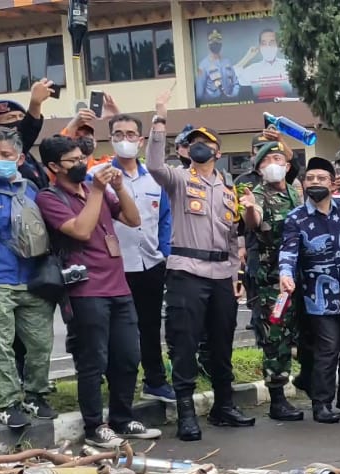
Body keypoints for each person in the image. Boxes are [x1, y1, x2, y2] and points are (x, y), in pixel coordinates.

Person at [36, 135, 161, 448]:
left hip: (119, 286)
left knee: (128, 357)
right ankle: (95, 426)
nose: (81, 164)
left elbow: (133, 220)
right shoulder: (50, 198)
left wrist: (118, 187)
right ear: (53, 166)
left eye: (82, 158)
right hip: (85, 290)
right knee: (93, 361)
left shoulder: (99, 191)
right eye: (73, 161)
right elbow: (81, 230)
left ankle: (122, 417)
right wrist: (96, 190)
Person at [148, 95, 254, 441]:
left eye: (206, 144)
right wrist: (159, 121)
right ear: (186, 150)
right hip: (187, 271)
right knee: (184, 343)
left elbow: (234, 236)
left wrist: (238, 276)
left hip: (222, 273)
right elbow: (152, 166)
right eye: (194, 144)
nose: (199, 148)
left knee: (223, 344)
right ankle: (186, 413)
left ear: (218, 152)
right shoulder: (179, 179)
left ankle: (224, 406)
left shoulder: (229, 189)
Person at [89, 114, 176, 404]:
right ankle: (118, 386)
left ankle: (155, 381)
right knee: (116, 332)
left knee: (150, 327)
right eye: (118, 134)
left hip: (150, 263)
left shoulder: (156, 176)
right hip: (114, 268)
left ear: (141, 141)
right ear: (110, 139)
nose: (124, 140)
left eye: (130, 135)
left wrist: (165, 253)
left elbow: (164, 218)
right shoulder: (97, 176)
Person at [279, 157, 340, 423]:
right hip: (318, 295)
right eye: (310, 179)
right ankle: (322, 402)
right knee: (328, 349)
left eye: (321, 179)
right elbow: (288, 251)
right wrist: (285, 274)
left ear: (332, 183)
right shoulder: (296, 217)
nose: (315, 183)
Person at [241, 141, 304, 422]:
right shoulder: (256, 195)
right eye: (267, 161)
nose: (273, 164)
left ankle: (306, 381)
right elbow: (253, 222)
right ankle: (277, 399)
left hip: (298, 278)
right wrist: (250, 209)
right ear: (259, 168)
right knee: (274, 339)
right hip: (271, 282)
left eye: (278, 159)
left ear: (288, 166)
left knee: (300, 335)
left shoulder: (295, 192)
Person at [0, 128, 55, 429]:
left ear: (20, 158)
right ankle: (7, 402)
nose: (1, 160)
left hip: (33, 280)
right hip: (0, 280)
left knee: (40, 344)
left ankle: (35, 394)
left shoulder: (32, 190)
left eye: (6, 156)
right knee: (1, 346)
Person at [0, 78, 55, 189]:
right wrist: (35, 103)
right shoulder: (7, 159)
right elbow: (29, 129)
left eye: (21, 117)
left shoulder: (28, 156)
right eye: (10, 118)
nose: (18, 121)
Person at [235, 29, 291, 102]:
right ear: (260, 47)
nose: (268, 47)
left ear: (277, 45)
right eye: (264, 44)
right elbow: (233, 76)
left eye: (271, 43)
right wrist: (248, 57)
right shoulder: (253, 69)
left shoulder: (288, 64)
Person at [196, 29, 241, 102]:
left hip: (231, 104)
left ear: (221, 43)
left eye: (218, 40)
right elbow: (199, 94)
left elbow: (236, 83)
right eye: (212, 41)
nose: (215, 43)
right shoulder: (203, 66)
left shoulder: (227, 62)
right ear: (207, 44)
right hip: (213, 106)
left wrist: (232, 96)